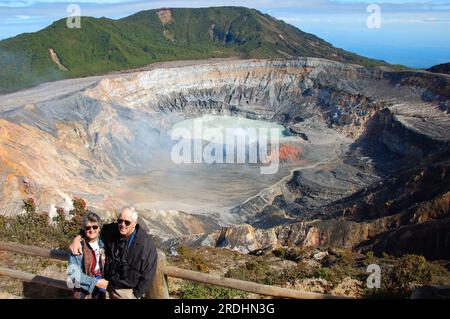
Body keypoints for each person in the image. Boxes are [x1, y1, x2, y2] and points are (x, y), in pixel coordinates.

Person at [70, 206, 157, 299]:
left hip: (126, 292)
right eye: (120, 221)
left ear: (134, 224)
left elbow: (149, 272)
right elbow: (92, 228)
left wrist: (136, 294)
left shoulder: (145, 244)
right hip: (107, 288)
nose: (122, 224)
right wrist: (77, 238)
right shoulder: (112, 229)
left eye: (127, 222)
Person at [67, 212, 109, 299]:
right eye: (88, 227)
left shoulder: (103, 242)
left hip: (102, 285)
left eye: (95, 227)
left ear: (99, 228)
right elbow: (74, 274)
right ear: (84, 229)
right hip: (85, 289)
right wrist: (96, 282)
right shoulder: (78, 247)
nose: (92, 230)